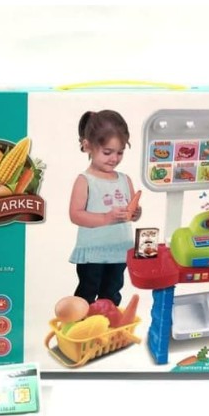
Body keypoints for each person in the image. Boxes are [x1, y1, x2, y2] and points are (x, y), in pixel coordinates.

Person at [68, 109, 142, 306]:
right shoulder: (85, 180)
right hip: (93, 253)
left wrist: (136, 213)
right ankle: (79, 323)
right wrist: (105, 218)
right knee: (87, 292)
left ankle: (106, 322)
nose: (114, 158)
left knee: (111, 294)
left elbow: (131, 212)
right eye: (107, 152)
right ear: (88, 146)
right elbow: (75, 215)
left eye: (120, 152)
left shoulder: (125, 179)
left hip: (120, 251)